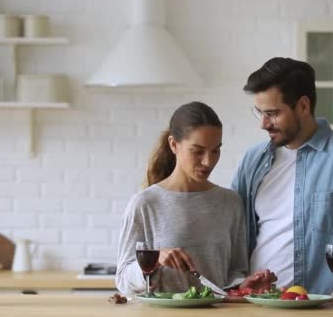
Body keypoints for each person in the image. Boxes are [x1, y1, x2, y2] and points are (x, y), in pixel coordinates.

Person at [231, 57, 333, 305]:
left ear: (303, 106)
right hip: (259, 305)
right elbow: (232, 231)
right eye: (260, 113)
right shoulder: (253, 160)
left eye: (272, 114)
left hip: (325, 306)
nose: (263, 124)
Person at [116, 101, 275, 295]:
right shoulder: (145, 204)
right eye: (197, 151)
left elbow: (235, 271)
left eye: (216, 150)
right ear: (174, 144)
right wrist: (153, 260)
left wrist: (243, 286)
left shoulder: (231, 203)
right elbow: (123, 280)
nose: (208, 161)